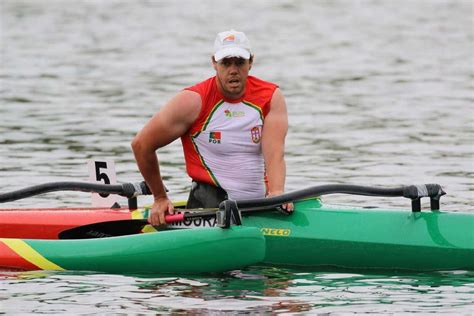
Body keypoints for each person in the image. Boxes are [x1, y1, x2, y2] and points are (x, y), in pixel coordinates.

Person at [132, 30, 292, 226]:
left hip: (257, 209)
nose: (233, 70)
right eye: (226, 63)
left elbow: (275, 154)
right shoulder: (192, 101)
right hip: (208, 210)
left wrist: (277, 194)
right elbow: (141, 145)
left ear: (251, 62)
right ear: (214, 63)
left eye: (239, 62)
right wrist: (159, 198)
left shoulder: (270, 97)